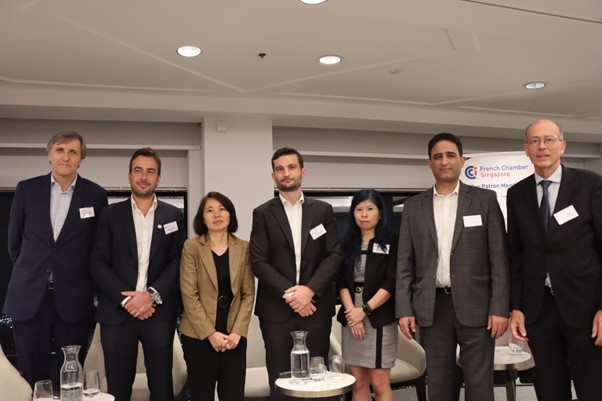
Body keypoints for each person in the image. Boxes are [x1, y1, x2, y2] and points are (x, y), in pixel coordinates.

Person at [396, 132, 510, 401]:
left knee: (479, 386)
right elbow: (404, 262)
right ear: (429, 164)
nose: (444, 161)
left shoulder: (485, 200)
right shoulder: (413, 207)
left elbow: (499, 258)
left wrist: (499, 308)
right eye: (437, 157)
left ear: (462, 160)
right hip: (432, 308)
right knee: (439, 384)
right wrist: (404, 309)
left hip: (478, 306)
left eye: (450, 155)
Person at [507, 119, 602, 401]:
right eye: (534, 141)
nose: (542, 147)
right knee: (549, 389)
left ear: (562, 146)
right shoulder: (517, 193)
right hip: (539, 311)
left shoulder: (590, 184)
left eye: (549, 139)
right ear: (526, 149)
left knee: (593, 388)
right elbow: (516, 255)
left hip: (586, 308)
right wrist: (516, 307)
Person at [4, 130, 107, 387]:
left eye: (73, 152)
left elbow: (98, 247)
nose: (65, 157)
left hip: (73, 298)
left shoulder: (95, 195)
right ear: (49, 154)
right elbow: (14, 243)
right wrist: (34, 271)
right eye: (60, 150)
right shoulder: (27, 189)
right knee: (32, 376)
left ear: (81, 159)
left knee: (71, 375)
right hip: (30, 298)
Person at [90, 147, 185, 401]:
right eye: (138, 170)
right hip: (117, 313)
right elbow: (98, 262)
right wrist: (128, 300)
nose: (144, 177)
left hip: (158, 313)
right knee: (118, 389)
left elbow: (178, 261)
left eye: (150, 171)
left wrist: (151, 295)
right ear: (129, 175)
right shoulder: (110, 214)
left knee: (162, 388)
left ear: (158, 178)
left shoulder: (173, 215)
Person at [250, 147, 341, 401]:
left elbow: (333, 255)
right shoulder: (262, 213)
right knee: (281, 381)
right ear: (273, 176)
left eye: (291, 167)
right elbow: (258, 261)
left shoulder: (323, 210)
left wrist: (309, 291)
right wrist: (293, 295)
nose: (286, 173)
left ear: (303, 171)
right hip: (276, 312)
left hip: (316, 308)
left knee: (317, 380)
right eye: (279, 169)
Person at [179, 191, 255, 401]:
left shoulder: (244, 247)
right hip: (199, 335)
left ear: (231, 215)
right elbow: (189, 295)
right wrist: (210, 334)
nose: (216, 214)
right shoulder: (192, 247)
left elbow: (248, 294)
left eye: (222, 209)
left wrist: (238, 332)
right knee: (201, 395)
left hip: (233, 337)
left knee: (233, 395)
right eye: (210, 210)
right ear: (202, 218)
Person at [336, 189, 397, 401]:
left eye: (370, 209)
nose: (364, 214)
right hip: (351, 314)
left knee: (379, 384)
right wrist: (353, 314)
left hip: (379, 315)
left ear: (380, 213)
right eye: (359, 209)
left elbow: (391, 281)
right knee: (358, 382)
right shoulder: (345, 244)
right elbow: (341, 282)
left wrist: (364, 310)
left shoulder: (391, 241)